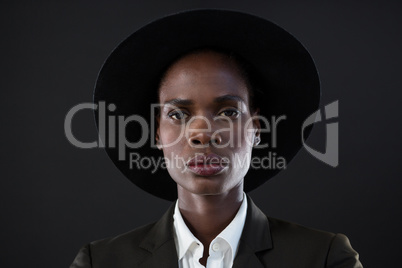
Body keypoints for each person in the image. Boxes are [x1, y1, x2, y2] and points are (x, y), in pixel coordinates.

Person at [70, 10, 362, 268]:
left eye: (228, 112)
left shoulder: (324, 258)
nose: (203, 133)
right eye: (178, 114)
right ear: (157, 133)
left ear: (256, 128)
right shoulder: (100, 261)